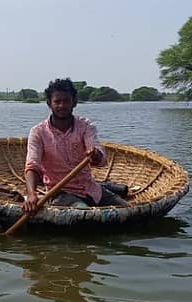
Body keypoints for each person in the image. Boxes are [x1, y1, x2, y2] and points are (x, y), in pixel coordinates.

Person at [23, 78, 129, 212]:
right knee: (83, 212)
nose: (62, 105)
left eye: (66, 101)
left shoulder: (86, 126)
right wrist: (32, 194)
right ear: (49, 104)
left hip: (90, 188)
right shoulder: (38, 132)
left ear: (74, 102)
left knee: (127, 209)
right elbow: (32, 165)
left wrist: (95, 154)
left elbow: (100, 160)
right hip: (60, 192)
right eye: (57, 102)